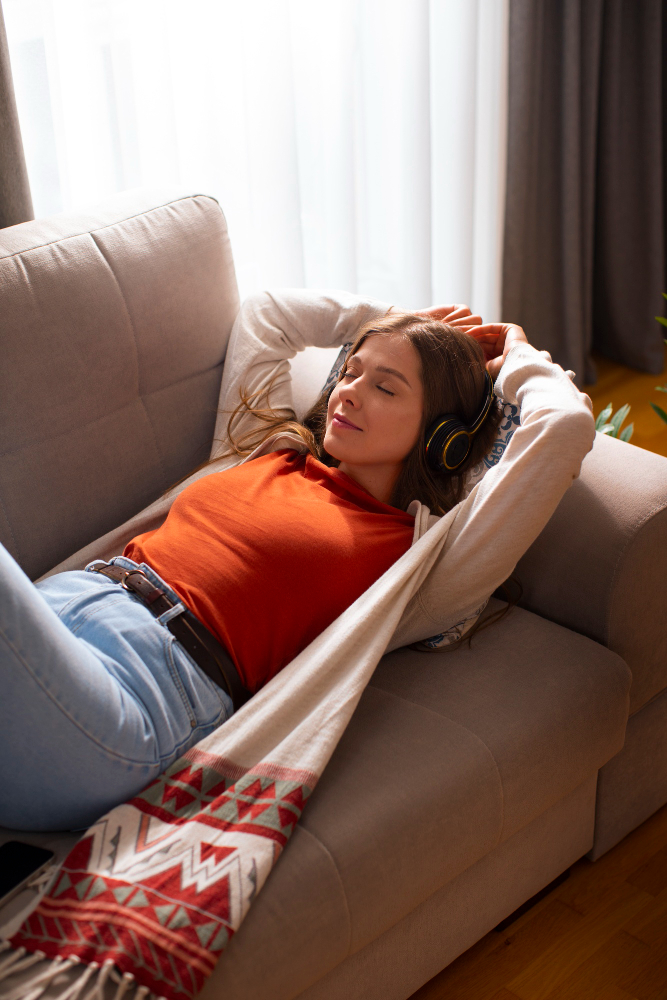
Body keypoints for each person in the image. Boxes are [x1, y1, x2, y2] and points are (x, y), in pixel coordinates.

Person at [0, 291, 594, 832]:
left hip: (134, 695)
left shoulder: (418, 562)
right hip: (60, 608)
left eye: (386, 388)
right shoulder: (262, 449)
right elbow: (268, 314)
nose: (348, 392)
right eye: (351, 372)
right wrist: (390, 326)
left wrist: (518, 355)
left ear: (444, 437)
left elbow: (563, 427)